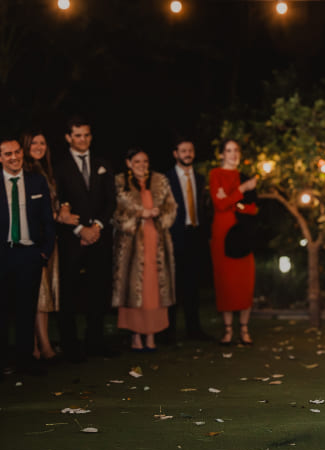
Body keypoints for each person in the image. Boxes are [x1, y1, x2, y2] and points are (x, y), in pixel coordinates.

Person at [53, 117, 116, 361]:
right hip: (72, 239)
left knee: (98, 290)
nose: (83, 140)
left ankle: (96, 342)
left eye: (87, 135)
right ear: (69, 137)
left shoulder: (103, 164)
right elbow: (58, 201)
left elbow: (111, 201)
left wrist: (97, 227)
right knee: (68, 291)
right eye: (78, 135)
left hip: (98, 237)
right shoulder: (59, 168)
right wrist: (80, 230)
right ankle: (70, 346)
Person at [112, 148, 177, 352]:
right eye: (137, 161)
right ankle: (135, 336)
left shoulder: (160, 181)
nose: (142, 165)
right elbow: (115, 213)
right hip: (131, 245)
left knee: (154, 289)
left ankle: (151, 335)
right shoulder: (120, 183)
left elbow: (172, 207)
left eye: (145, 161)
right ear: (129, 163)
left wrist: (160, 215)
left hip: (156, 242)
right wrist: (140, 213)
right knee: (133, 289)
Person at [0, 138, 55, 377]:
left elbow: (47, 221)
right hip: (3, 254)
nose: (14, 157)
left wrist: (44, 251)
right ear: (0, 157)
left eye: (16, 152)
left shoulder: (36, 181)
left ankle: (25, 362)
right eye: (7, 154)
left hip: (29, 254)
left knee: (26, 310)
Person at [22, 131, 70, 360]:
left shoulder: (46, 171)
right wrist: (57, 216)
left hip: (50, 239)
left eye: (43, 142)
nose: (39, 146)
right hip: (34, 240)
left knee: (46, 294)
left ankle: (44, 344)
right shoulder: (25, 171)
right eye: (34, 143)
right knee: (36, 294)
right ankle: (35, 347)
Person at [209, 139, 258, 346]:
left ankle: (244, 330)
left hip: (242, 233)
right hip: (222, 234)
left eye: (236, 150)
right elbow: (219, 205)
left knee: (245, 282)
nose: (233, 154)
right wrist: (242, 190)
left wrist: (233, 201)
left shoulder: (244, 175)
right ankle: (228, 330)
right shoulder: (215, 175)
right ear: (221, 154)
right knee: (225, 283)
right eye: (228, 151)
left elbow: (254, 208)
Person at [164, 138, 211, 342]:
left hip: (196, 235)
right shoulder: (166, 179)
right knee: (173, 284)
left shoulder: (201, 179)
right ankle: (169, 331)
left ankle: (194, 330)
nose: (187, 154)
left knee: (193, 285)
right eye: (183, 150)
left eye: (190, 150)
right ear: (176, 153)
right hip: (175, 235)